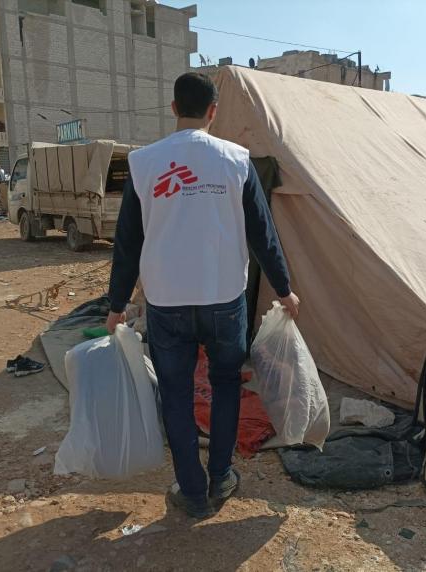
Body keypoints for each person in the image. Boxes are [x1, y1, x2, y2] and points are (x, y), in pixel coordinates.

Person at [106, 72, 299, 519]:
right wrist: (285, 290)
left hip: (166, 303)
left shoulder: (144, 162)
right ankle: (221, 476)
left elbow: (127, 244)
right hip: (223, 301)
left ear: (173, 108)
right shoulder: (236, 160)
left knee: (174, 393)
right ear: (214, 111)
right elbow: (262, 235)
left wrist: (116, 305)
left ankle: (192, 491)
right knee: (226, 384)